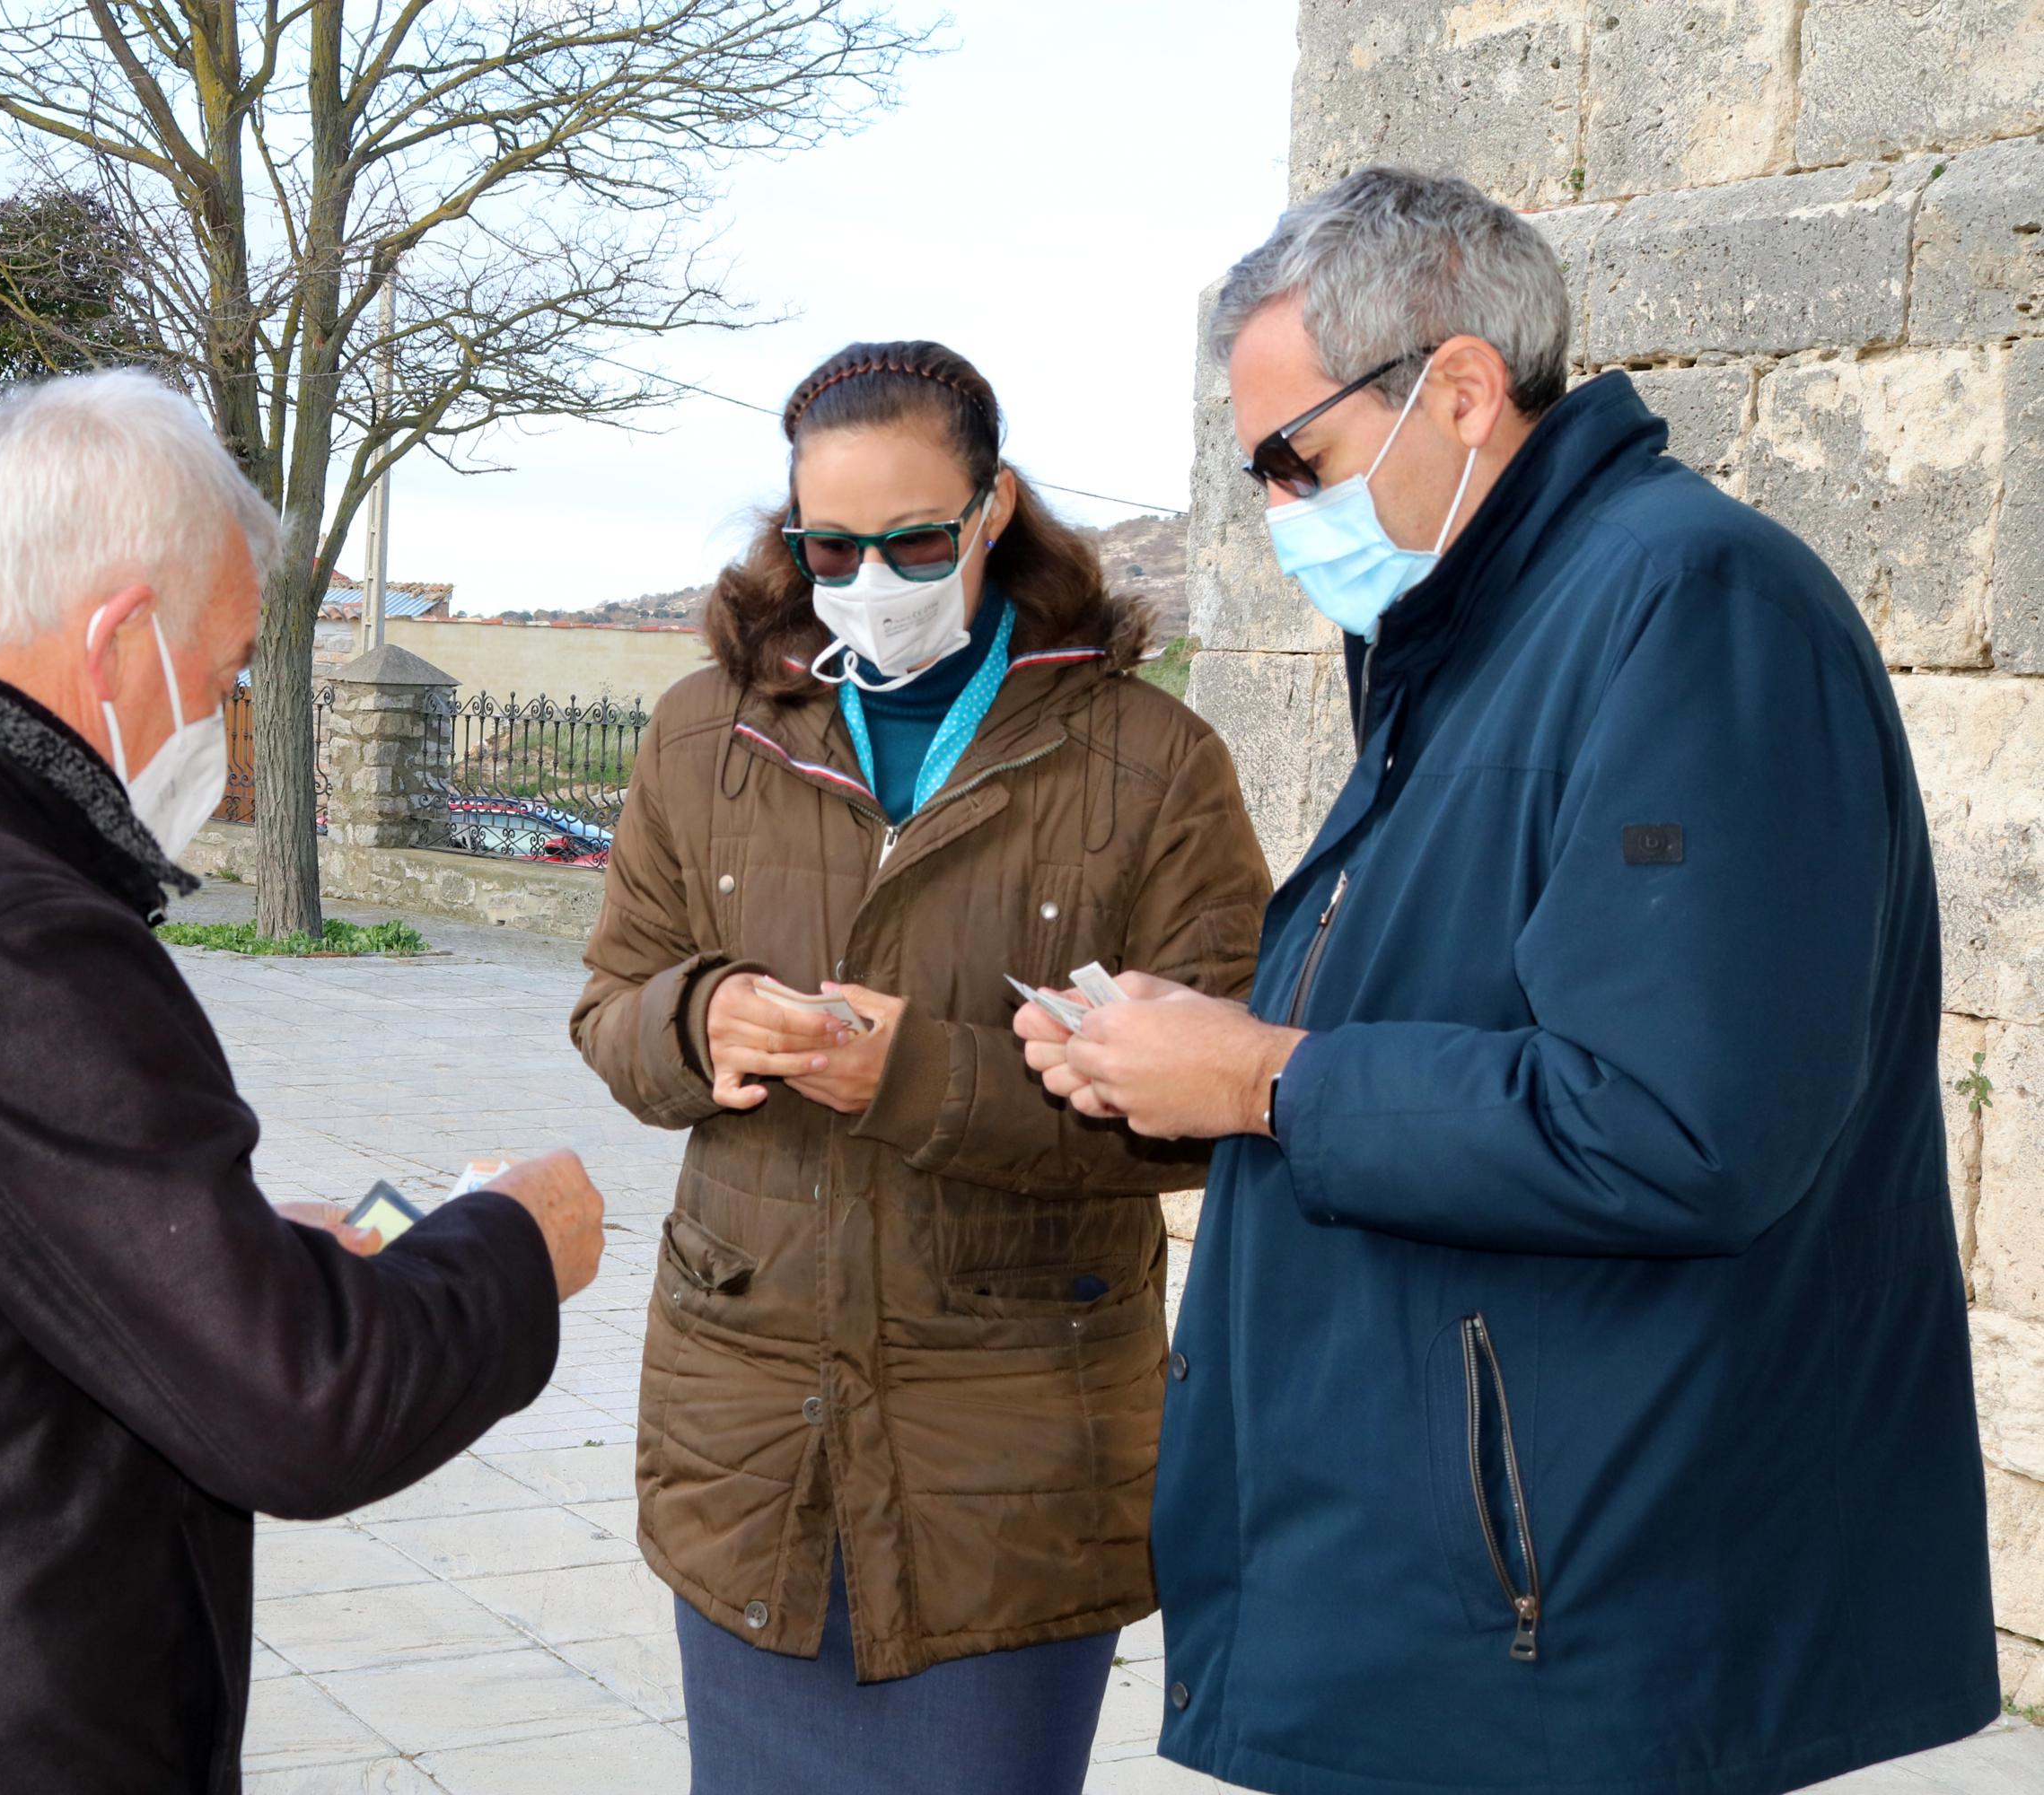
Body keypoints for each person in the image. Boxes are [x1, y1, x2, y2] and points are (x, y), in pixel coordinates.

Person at [1016, 167, 1998, 1795]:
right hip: (1458, 1603)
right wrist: (1174, 1060)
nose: (1274, 513)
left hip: (1577, 1622)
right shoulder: (1467, 633)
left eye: (1293, 459)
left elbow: (1679, 1123)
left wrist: (1262, 1078)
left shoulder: (1689, 605)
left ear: (1461, 391)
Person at [0, 370, 607, 1791]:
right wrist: (511, 1245)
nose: (221, 715)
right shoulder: (13, 938)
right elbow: (303, 1408)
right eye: (221, 673)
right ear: (120, 638)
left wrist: (246, 1260)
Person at [570, 340, 1273, 1794]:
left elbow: (1210, 1111)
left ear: (994, 506)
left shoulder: (1150, 762)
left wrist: (923, 1077)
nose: (868, 574)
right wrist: (697, 1022)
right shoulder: (706, 732)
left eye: (912, 539)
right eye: (831, 543)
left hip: (1007, 1448)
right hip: (751, 1424)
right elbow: (612, 1009)